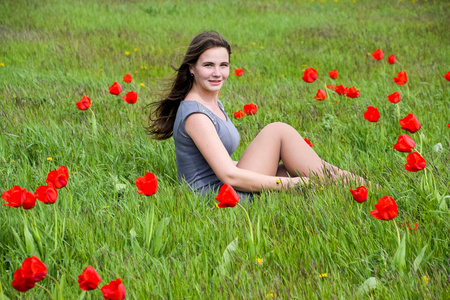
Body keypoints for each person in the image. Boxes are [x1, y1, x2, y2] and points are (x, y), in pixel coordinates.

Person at [147, 31, 365, 199]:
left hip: (226, 186)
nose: (217, 73)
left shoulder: (211, 102)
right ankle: (357, 186)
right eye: (208, 65)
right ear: (192, 68)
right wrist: (299, 184)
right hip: (219, 198)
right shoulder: (196, 114)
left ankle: (358, 184)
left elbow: (223, 164)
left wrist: (296, 178)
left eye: (223, 65)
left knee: (295, 169)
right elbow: (229, 176)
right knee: (278, 132)